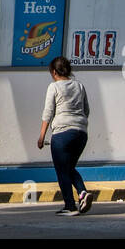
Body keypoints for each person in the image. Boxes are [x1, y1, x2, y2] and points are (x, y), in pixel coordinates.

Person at [37, 56, 91, 216]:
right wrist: (78, 123)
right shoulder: (79, 86)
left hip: (62, 133)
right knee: (69, 168)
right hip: (81, 133)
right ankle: (82, 193)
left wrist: (41, 137)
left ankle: (70, 206)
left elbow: (48, 113)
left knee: (62, 170)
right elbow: (86, 110)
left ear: (54, 72)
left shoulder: (54, 87)